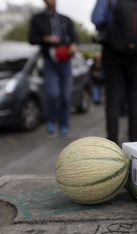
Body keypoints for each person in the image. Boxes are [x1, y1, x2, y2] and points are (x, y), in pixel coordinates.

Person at [91, 0, 137, 144]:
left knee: (112, 97)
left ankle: (112, 143)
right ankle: (136, 142)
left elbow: (96, 18)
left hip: (112, 50)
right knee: (135, 97)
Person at [28, 0, 78, 138]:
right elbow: (31, 39)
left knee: (66, 96)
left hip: (65, 62)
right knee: (52, 94)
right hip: (50, 62)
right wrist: (46, 38)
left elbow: (75, 39)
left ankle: (64, 126)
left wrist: (74, 46)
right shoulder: (37, 19)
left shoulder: (65, 20)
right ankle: (51, 120)